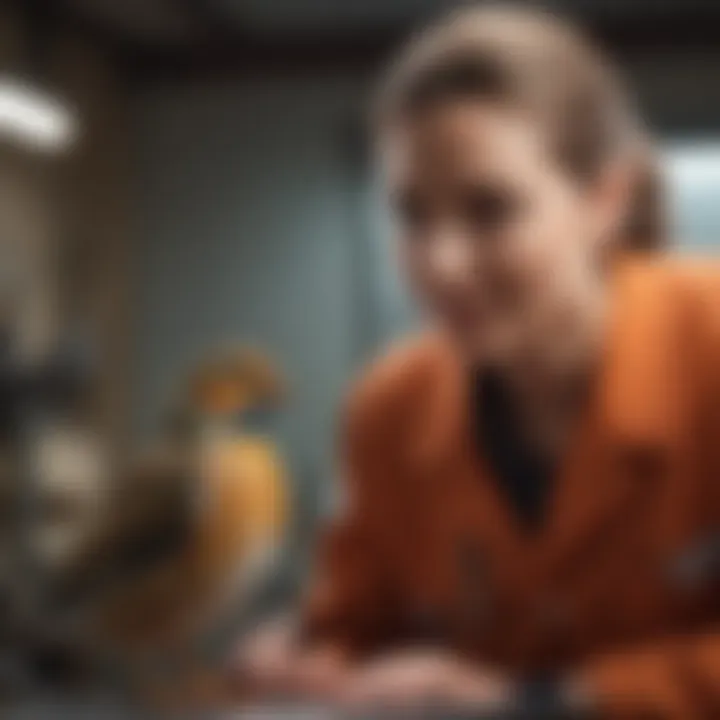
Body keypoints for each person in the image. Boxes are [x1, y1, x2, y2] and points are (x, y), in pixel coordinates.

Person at [233, 7, 720, 718]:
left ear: (604, 201)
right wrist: (304, 656)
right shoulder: (388, 410)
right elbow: (357, 628)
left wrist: (544, 699)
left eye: (491, 210)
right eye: (411, 216)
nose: (441, 263)